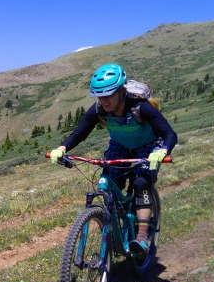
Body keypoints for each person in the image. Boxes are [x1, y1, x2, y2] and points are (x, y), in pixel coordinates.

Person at [50, 63, 177, 255]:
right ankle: (114, 229)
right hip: (119, 146)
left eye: (109, 94)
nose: (104, 100)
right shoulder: (99, 109)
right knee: (109, 182)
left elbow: (169, 133)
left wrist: (163, 150)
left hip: (148, 147)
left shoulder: (140, 107)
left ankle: (142, 237)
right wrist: (62, 148)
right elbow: (79, 133)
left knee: (142, 183)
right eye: (100, 96)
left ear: (121, 91)